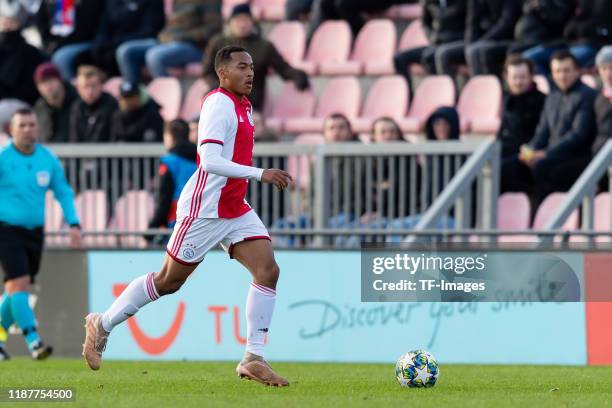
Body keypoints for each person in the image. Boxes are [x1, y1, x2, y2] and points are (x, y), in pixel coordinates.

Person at [83, 46, 293, 387]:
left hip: (235, 207)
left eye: (252, 67)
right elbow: (208, 160)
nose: (250, 72)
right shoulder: (218, 104)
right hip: (205, 209)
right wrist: (260, 173)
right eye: (242, 67)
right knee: (169, 281)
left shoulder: (244, 104)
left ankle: (253, 358)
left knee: (268, 271)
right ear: (223, 73)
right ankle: (102, 324)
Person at [0, 108, 81, 361]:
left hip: (35, 233)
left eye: (31, 124)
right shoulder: (3, 158)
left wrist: (74, 223)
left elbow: (63, 192)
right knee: (19, 283)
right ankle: (34, 341)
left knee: (16, 290)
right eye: (22, 125)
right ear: (11, 130)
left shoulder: (47, 159)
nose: (28, 129)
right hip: (6, 230)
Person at [501, 50, 597, 206]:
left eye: (566, 70)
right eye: (557, 71)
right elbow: (542, 130)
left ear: (577, 71)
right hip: (551, 153)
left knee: (542, 167)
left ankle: (544, 214)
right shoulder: (552, 96)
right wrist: (530, 150)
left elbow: (578, 134)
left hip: (575, 156)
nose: (562, 76)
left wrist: (545, 153)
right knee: (508, 168)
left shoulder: (587, 95)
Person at [202, 4, 309, 112]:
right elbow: (207, 71)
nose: (242, 25)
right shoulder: (217, 43)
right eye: (238, 20)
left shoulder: (264, 46)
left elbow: (283, 68)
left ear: (252, 23)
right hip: (220, 99)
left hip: (250, 102)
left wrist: (298, 75)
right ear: (230, 23)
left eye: (246, 20)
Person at [116, 0, 222, 84]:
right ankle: (136, 94)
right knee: (125, 51)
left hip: (194, 46)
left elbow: (213, 29)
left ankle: (164, 97)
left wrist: (183, 37)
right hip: (167, 41)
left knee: (155, 55)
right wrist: (166, 36)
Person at [522, 0, 612, 75]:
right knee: (528, 58)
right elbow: (564, 21)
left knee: (564, 63)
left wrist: (575, 28)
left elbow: (597, 25)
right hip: (566, 42)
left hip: (591, 44)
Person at [394, 0, 466, 92]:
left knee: (432, 55)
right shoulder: (429, 2)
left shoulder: (464, 2)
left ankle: (448, 94)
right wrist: (432, 37)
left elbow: (470, 25)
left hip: (456, 42)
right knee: (399, 58)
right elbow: (425, 24)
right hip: (436, 43)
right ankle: (408, 98)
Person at [79, 0, 165, 77]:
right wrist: (100, 42)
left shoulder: (152, 2)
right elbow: (104, 26)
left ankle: (132, 90)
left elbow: (149, 31)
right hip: (115, 42)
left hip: (144, 41)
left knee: (124, 51)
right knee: (94, 51)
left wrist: (117, 42)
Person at [434, 0, 520, 76]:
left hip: (503, 39)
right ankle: (452, 92)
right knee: (443, 53)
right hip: (480, 40)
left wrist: (484, 40)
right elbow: (471, 22)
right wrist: (470, 41)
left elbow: (507, 23)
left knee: (475, 51)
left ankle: (487, 90)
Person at [147, 119, 197, 244]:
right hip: (200, 221)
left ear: (169, 137)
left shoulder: (169, 162)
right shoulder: (202, 160)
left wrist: (149, 233)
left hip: (176, 224)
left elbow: (164, 200)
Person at [36, 0, 105, 79]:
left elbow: (87, 30)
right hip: (60, 44)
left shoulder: (88, 3)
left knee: (61, 58)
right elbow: (42, 25)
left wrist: (78, 7)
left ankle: (70, 88)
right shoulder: (50, 3)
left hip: (87, 41)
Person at [497, 55, 546, 160]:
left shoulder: (542, 100)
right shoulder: (506, 98)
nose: (518, 82)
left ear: (531, 76)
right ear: (507, 78)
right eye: (514, 77)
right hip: (505, 150)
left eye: (522, 77)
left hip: (526, 154)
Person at [0, 2, 47, 105]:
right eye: (5, 24)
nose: (8, 27)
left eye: (12, 23)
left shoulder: (31, 52)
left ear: (19, 24)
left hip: (25, 104)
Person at [69, 65, 118, 143]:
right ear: (78, 89)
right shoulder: (77, 106)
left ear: (101, 85)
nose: (90, 91)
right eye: (85, 87)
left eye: (93, 86)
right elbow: (74, 138)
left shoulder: (112, 104)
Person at [33, 62, 78, 143]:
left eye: (50, 80)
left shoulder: (78, 103)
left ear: (60, 80)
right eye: (42, 82)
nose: (48, 86)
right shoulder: (39, 107)